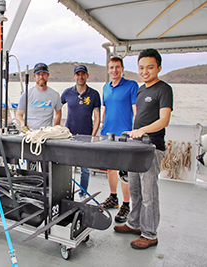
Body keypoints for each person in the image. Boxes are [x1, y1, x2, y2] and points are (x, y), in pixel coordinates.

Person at [114, 48, 173, 250]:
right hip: (136, 147)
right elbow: (140, 116)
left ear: (159, 68)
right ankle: (134, 223)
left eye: (150, 67)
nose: (145, 71)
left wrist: (140, 131)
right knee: (135, 190)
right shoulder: (141, 89)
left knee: (149, 194)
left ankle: (149, 234)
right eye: (141, 67)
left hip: (151, 147)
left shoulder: (164, 89)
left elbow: (163, 120)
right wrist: (134, 133)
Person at [99, 57, 138, 223]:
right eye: (111, 67)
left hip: (125, 135)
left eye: (117, 67)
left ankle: (126, 204)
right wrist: (101, 129)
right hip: (108, 133)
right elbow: (105, 109)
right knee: (111, 169)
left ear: (122, 69)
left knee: (124, 172)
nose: (114, 70)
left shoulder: (131, 86)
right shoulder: (105, 88)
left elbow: (136, 111)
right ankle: (113, 198)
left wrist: (135, 131)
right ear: (108, 70)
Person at [60, 65, 101, 200]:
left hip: (86, 136)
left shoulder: (94, 94)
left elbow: (97, 117)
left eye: (83, 74)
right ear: (74, 77)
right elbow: (57, 109)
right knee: (66, 166)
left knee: (85, 169)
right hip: (69, 136)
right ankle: (66, 192)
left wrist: (93, 135)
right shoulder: (67, 93)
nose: (80, 77)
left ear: (87, 76)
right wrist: (57, 129)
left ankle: (82, 194)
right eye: (78, 74)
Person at [16, 63, 62, 130]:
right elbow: (19, 115)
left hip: (47, 134)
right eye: (38, 74)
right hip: (30, 133)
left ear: (48, 75)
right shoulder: (26, 94)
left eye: (43, 74)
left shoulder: (55, 95)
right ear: (34, 76)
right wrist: (22, 124)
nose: (41, 77)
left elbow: (58, 113)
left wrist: (55, 128)